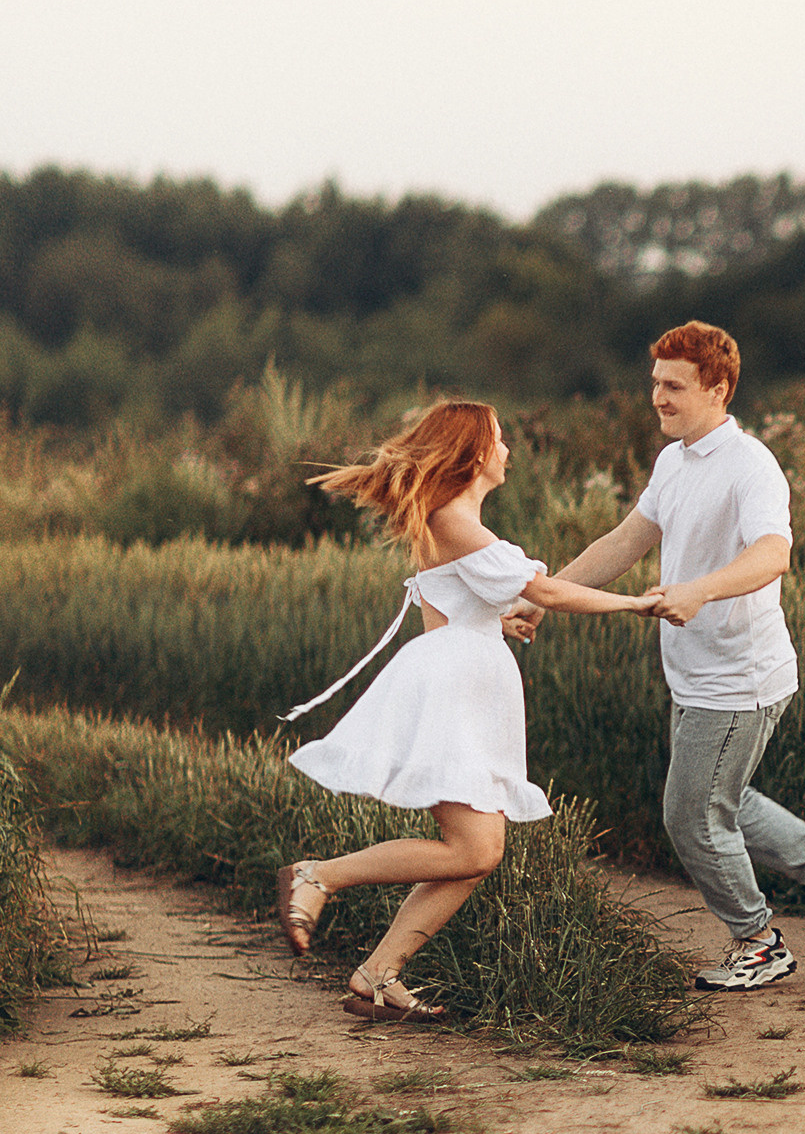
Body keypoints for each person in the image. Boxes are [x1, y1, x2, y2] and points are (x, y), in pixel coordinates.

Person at [509, 321, 805, 991]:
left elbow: (775, 554)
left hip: (741, 678)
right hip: (696, 673)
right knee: (722, 800)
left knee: (691, 814)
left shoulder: (750, 465)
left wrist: (701, 591)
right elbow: (626, 541)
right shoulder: (674, 460)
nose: (658, 397)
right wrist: (548, 595)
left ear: (718, 388)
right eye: (655, 383)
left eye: (674, 385)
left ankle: (759, 942)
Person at [276, 400, 656, 1020]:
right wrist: (636, 605)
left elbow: (451, 609)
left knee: (476, 851)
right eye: (501, 441)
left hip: (467, 690)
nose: (508, 451)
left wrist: (493, 619)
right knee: (474, 850)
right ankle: (320, 876)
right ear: (477, 455)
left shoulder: (451, 523)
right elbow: (550, 591)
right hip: (454, 697)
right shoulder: (454, 519)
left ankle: (377, 975)